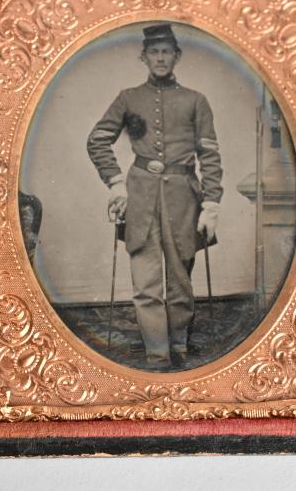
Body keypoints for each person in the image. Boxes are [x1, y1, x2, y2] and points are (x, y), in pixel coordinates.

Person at [86, 23, 223, 368]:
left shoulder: (197, 100)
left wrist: (211, 203)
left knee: (180, 281)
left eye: (166, 52)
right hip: (140, 197)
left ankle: (179, 346)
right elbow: (97, 140)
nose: (160, 58)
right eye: (154, 52)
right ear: (143, 57)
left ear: (176, 56)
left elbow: (209, 154)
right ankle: (157, 355)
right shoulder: (128, 98)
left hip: (184, 199)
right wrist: (116, 183)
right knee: (145, 283)